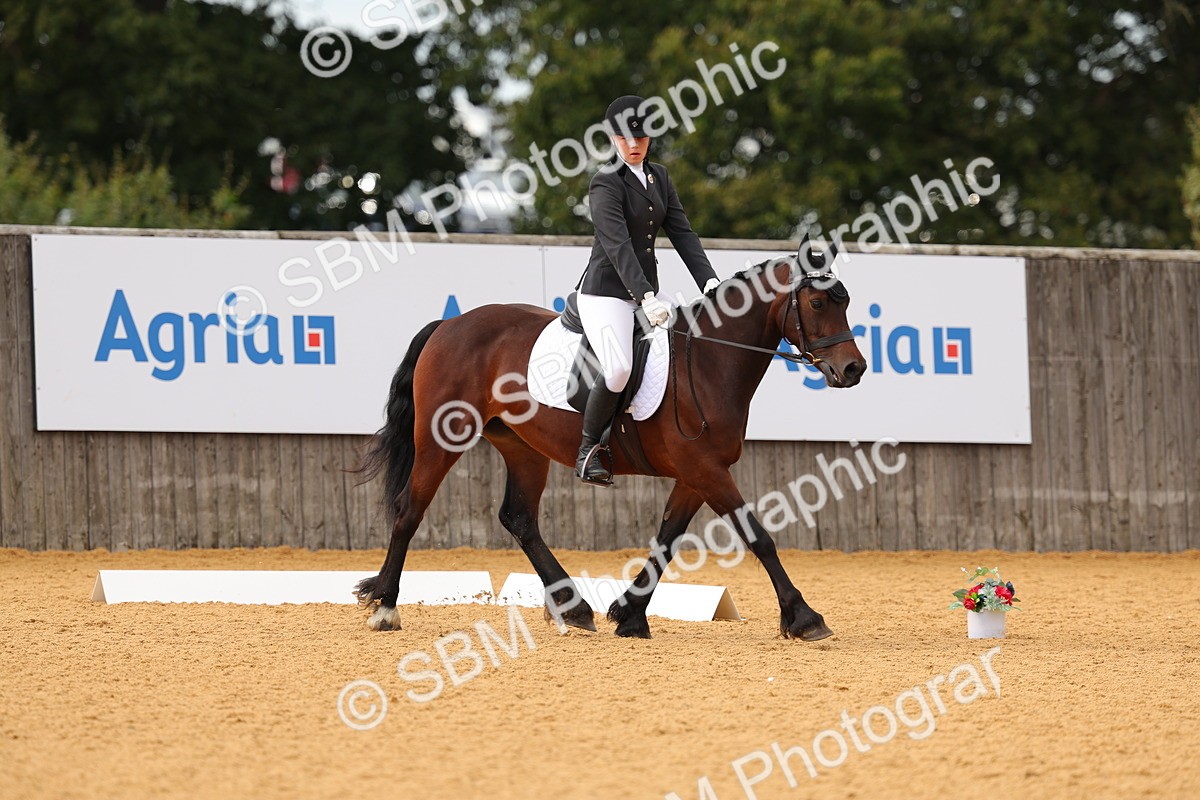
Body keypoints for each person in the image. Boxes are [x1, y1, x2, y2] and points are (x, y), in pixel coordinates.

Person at [573, 94, 722, 486]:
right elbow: (619, 245)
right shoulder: (605, 183)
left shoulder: (660, 178)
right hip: (606, 293)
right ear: (613, 138)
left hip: (645, 296)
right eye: (625, 139)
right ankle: (588, 448)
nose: (634, 145)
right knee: (619, 367)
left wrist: (709, 280)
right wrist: (646, 297)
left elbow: (683, 232)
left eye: (640, 138)